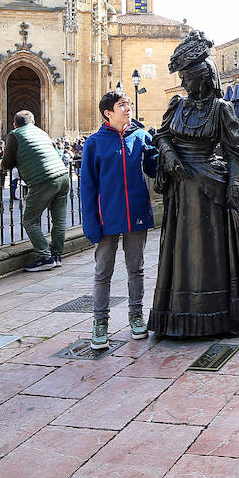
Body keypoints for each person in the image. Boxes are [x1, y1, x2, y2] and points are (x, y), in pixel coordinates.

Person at [150, 30, 239, 337]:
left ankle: (217, 315)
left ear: (202, 78)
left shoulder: (221, 109)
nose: (183, 84)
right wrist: (170, 155)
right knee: (184, 253)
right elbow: (160, 135)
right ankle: (180, 314)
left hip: (210, 189)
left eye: (188, 78)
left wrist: (234, 186)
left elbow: (236, 152)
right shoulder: (178, 106)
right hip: (181, 190)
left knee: (211, 254)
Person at [80, 89, 159, 348]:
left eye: (129, 104)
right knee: (103, 271)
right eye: (122, 105)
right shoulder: (94, 143)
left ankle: (136, 316)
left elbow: (153, 167)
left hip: (136, 214)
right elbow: (87, 187)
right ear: (108, 112)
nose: (128, 108)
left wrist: (162, 147)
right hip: (106, 218)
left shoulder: (141, 136)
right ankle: (100, 322)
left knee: (136, 269)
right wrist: (91, 222)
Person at [0, 110, 69, 272]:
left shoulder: (15, 134)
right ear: (33, 122)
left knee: (30, 220)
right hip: (62, 175)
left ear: (15, 124)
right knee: (59, 220)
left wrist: (2, 166)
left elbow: (8, 161)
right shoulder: (41, 132)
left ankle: (44, 257)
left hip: (43, 180)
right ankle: (57, 256)